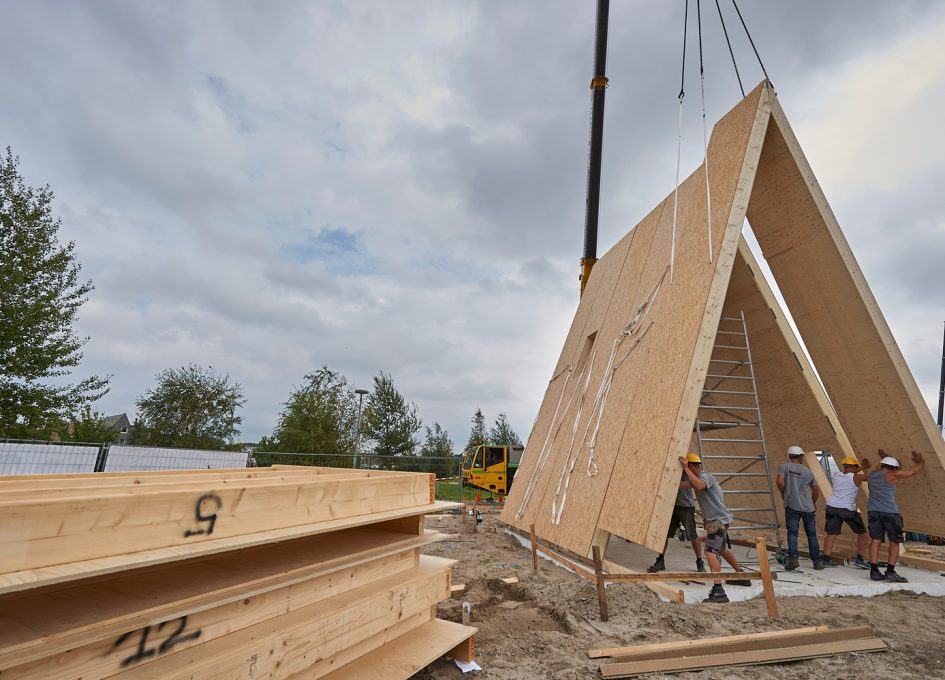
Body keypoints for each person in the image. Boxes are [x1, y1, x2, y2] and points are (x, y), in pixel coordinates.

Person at [679, 453, 751, 603]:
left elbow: (699, 485)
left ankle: (718, 591)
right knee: (721, 549)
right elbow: (684, 485)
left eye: (688, 467)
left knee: (710, 551)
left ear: (693, 466)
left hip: (716, 521)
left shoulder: (705, 476)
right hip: (718, 521)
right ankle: (742, 576)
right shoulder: (698, 478)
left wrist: (685, 469)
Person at [865, 449, 925, 583]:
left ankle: (874, 571)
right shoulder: (892, 475)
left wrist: (884, 457)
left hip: (873, 512)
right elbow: (912, 472)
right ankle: (890, 572)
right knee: (895, 541)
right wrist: (921, 462)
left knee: (875, 540)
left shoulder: (872, 475)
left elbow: (880, 467)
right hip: (890, 513)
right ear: (894, 468)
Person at [648, 457, 707, 573]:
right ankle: (660, 560)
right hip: (670, 505)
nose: (698, 468)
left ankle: (699, 561)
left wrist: (683, 472)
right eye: (695, 465)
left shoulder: (691, 474)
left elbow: (690, 484)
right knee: (664, 534)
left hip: (686, 506)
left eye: (698, 465)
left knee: (692, 535)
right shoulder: (674, 468)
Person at [776, 445, 823, 571]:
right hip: (808, 507)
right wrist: (812, 503)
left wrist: (783, 492)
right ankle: (817, 562)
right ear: (801, 457)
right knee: (812, 534)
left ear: (790, 456)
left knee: (793, 533)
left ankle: (793, 560)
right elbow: (816, 490)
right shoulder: (808, 471)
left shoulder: (784, 467)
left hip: (792, 506)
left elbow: (780, 481)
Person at [820, 456, 870, 569]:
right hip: (847, 510)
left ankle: (826, 558)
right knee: (862, 534)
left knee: (831, 534)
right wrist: (867, 469)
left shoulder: (836, 475)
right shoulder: (856, 478)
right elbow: (872, 477)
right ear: (854, 467)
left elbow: (849, 472)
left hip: (832, 507)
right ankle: (860, 559)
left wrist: (862, 467)